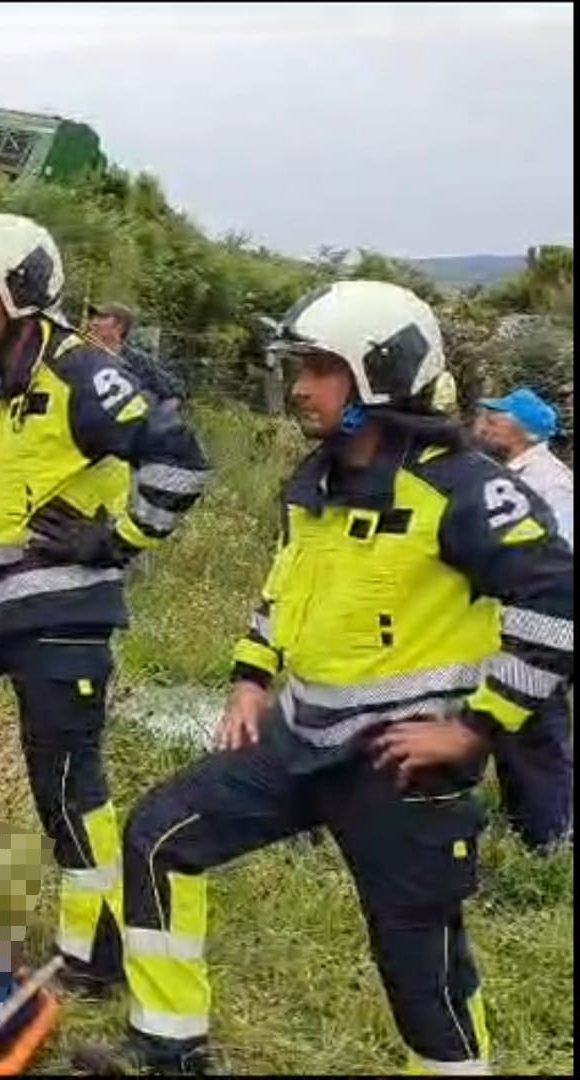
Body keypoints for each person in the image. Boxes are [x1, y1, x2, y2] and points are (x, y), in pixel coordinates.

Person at [78, 281, 575, 1076]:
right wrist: (249, 678)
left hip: (403, 768)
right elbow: (286, 589)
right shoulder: (317, 483)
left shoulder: (466, 491)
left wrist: (474, 727)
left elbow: (560, 603)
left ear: (378, 377)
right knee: (159, 838)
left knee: (422, 972)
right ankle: (166, 1048)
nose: (300, 387)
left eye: (319, 368)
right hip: (297, 740)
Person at [0, 213, 210, 999]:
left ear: (21, 292)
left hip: (63, 616)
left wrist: (115, 540)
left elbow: (181, 465)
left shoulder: (84, 373)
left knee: (65, 787)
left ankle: (94, 951)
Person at [472, 387, 574, 853]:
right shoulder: (508, 475)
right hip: (507, 624)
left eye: (499, 417)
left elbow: (558, 564)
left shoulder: (551, 483)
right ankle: (529, 830)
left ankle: (549, 840)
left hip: (540, 630)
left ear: (525, 430)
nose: (488, 422)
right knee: (512, 732)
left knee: (536, 730)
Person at [87, 301, 186, 407]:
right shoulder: (81, 358)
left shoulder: (138, 361)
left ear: (119, 326)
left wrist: (160, 419)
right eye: (93, 318)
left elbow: (176, 392)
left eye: (102, 318)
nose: (94, 323)